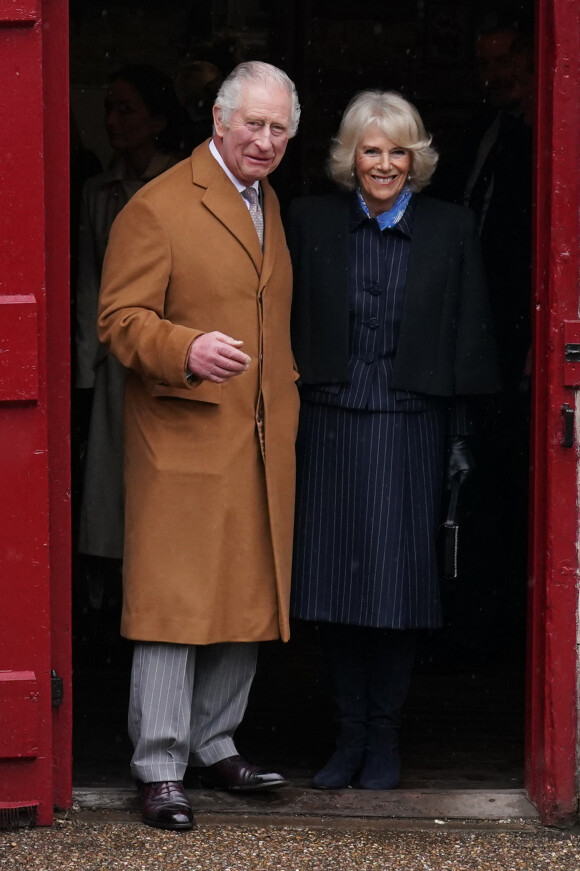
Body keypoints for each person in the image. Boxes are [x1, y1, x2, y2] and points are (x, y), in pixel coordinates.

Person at [97, 61, 301, 830]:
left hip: (255, 437)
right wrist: (185, 348)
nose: (267, 139)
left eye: (280, 127)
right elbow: (119, 319)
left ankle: (215, 742)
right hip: (184, 434)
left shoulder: (266, 199)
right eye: (253, 123)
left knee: (246, 593)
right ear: (218, 120)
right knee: (173, 606)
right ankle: (158, 765)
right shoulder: (158, 205)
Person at [288, 91, 499, 791]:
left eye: (398, 150)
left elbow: (469, 333)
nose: (384, 163)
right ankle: (345, 737)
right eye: (370, 150)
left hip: (412, 426)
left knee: (398, 593)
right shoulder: (309, 220)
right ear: (350, 158)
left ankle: (384, 740)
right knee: (334, 593)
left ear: (417, 159)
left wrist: (463, 435)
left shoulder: (451, 227)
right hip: (328, 420)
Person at [75, 64, 190, 600]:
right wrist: (85, 373)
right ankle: (109, 605)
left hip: (179, 360)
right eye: (109, 108)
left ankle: (160, 592)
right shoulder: (98, 192)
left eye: (127, 108)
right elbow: (88, 285)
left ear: (158, 119)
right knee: (110, 487)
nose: (113, 120)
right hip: (115, 363)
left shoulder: (186, 185)